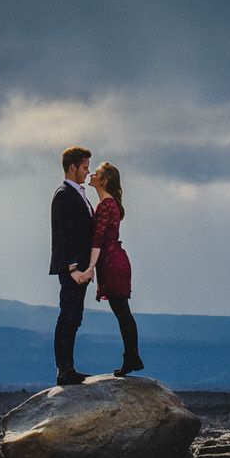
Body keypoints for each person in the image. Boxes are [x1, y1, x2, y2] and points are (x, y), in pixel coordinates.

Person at [83, 162, 142, 376]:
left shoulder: (105, 205)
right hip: (116, 260)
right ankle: (132, 357)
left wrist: (90, 267)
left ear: (104, 180)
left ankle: (132, 358)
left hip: (111, 262)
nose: (91, 174)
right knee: (123, 312)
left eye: (96, 173)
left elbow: (98, 239)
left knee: (122, 312)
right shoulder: (111, 204)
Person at [49, 145, 96, 386]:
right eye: (85, 168)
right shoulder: (64, 194)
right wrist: (72, 267)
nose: (88, 172)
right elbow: (63, 234)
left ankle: (69, 367)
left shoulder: (78, 193)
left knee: (74, 316)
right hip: (73, 270)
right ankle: (64, 369)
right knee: (68, 315)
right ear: (73, 167)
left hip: (81, 269)